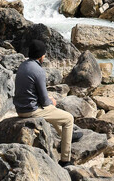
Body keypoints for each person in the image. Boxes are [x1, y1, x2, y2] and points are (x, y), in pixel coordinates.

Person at [14, 38, 81, 168]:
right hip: (30, 111)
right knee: (68, 118)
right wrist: (52, 101)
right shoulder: (38, 71)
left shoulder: (23, 65)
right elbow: (45, 101)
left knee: (52, 110)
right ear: (41, 56)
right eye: (44, 54)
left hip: (20, 108)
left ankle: (66, 135)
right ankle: (65, 160)